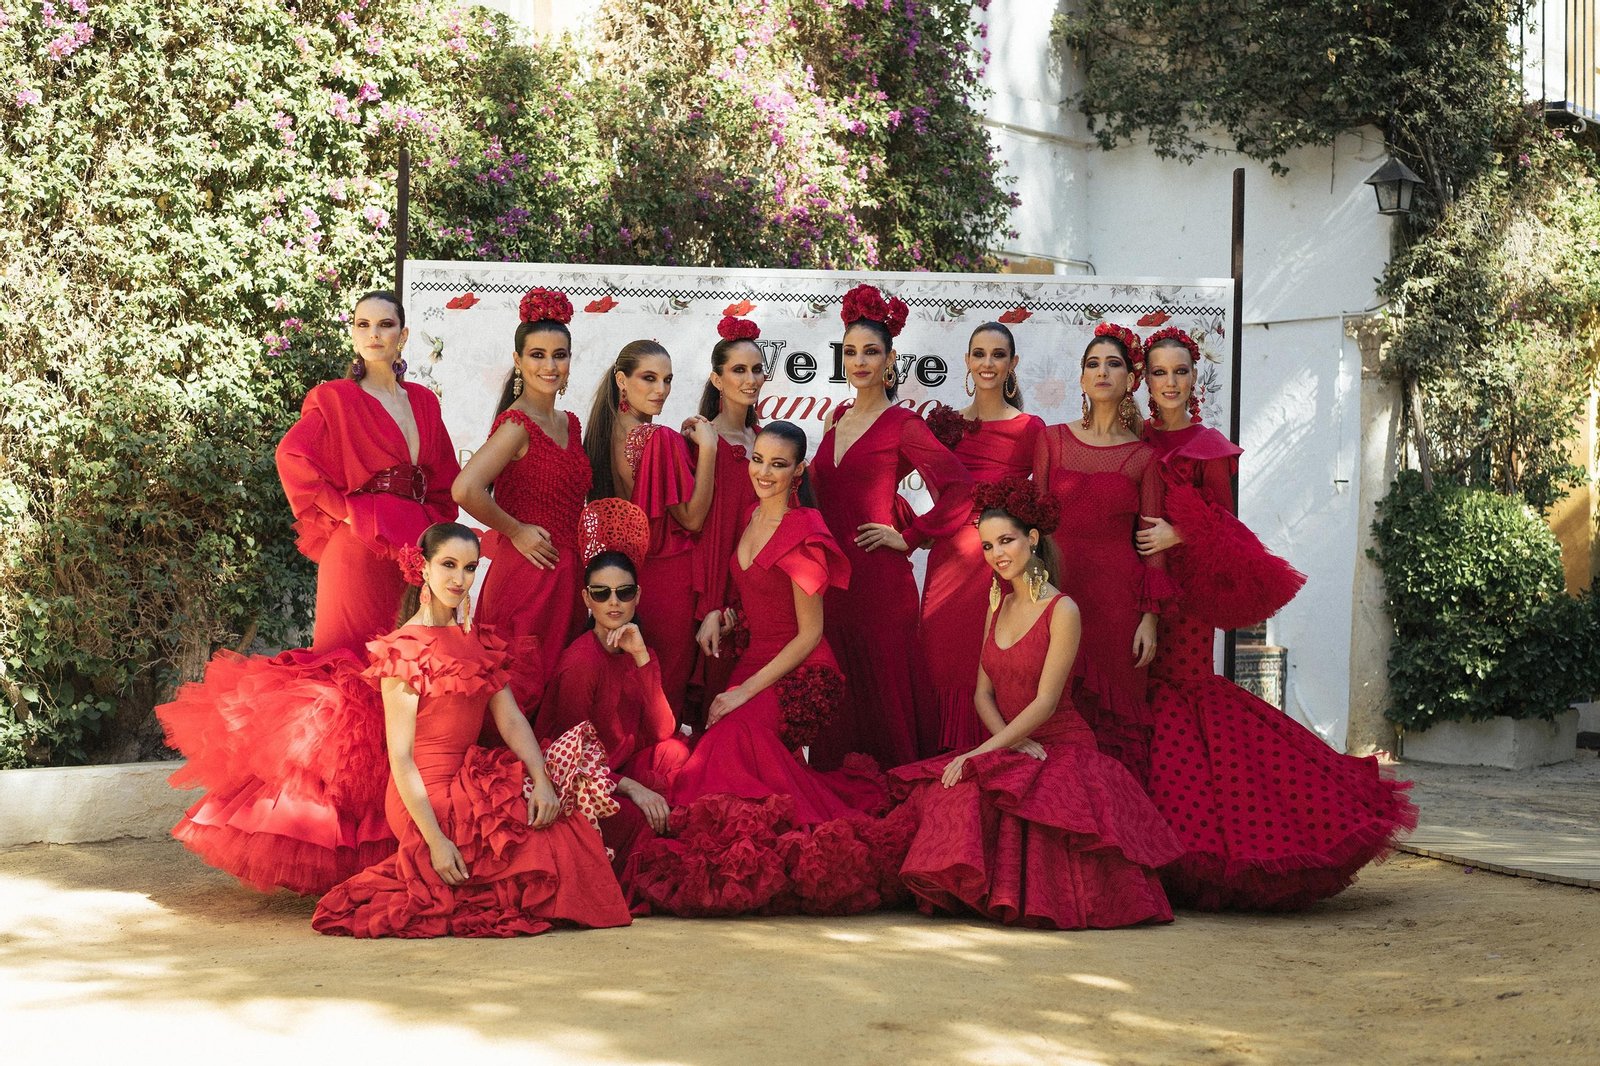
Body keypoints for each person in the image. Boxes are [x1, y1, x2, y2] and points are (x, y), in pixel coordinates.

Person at [157, 291, 460, 895]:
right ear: (353, 335)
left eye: (386, 325)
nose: (374, 334)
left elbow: (446, 475)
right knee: (346, 677)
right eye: (363, 325)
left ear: (404, 335)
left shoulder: (424, 401)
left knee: (397, 681)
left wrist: (430, 536)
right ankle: (330, 849)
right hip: (357, 551)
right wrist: (347, 512)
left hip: (410, 554)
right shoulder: (334, 397)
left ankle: (388, 843)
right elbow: (291, 456)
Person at [1138, 327, 1416, 909]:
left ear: (1195, 379)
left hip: (1186, 599)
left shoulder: (1209, 447)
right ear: (1145, 378)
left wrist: (1179, 530)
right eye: (1159, 372)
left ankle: (1200, 853)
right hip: (1128, 592)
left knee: (1183, 698)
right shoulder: (1132, 439)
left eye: (1180, 371)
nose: (1169, 382)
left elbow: (1230, 529)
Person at [624, 422, 912, 918]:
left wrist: (740, 693)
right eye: (759, 459)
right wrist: (725, 616)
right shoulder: (753, 515)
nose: (764, 472)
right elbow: (759, 597)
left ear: (799, 471)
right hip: (756, 660)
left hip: (801, 673)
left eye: (779, 465)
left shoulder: (805, 534)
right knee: (717, 747)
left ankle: (795, 845)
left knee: (732, 739)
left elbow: (809, 634)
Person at [312, 523, 633, 938]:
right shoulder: (404, 649)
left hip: (469, 780)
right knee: (525, 856)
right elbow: (401, 758)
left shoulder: (478, 642)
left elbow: (512, 719)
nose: (459, 579)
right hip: (422, 798)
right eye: (448, 565)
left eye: (469, 568)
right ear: (423, 568)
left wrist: (543, 781)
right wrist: (435, 841)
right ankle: (445, 856)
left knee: (561, 824)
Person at [891, 479, 1183, 929]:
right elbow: (981, 694)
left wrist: (982, 752)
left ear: (1032, 539)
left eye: (1005, 540)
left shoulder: (1063, 610)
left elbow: (1047, 701)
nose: (996, 554)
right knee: (954, 795)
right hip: (1014, 744)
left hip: (1061, 748)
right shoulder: (997, 604)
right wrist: (1004, 746)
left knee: (1030, 812)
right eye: (987, 545)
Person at [810, 284, 974, 769]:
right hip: (831, 585)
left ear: (890, 359)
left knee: (887, 699)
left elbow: (960, 487)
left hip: (880, 585)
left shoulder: (903, 423)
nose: (860, 361)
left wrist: (910, 536)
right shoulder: (834, 420)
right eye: (851, 352)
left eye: (872, 352)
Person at [1033, 322, 1176, 787]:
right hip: (1056, 595)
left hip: (1118, 609)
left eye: (1113, 363)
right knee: (1051, 713)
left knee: (1114, 726)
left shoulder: (1143, 458)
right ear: (1080, 378)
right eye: (1092, 363)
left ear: (1131, 380)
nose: (1102, 371)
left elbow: (1154, 546)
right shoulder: (1050, 440)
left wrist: (1149, 620)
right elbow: (1030, 529)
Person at [535, 499, 692, 873]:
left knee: (676, 755)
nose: (614, 603)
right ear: (587, 598)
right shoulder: (581, 662)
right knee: (642, 823)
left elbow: (663, 731)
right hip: (580, 783)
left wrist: (640, 658)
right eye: (601, 593)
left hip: (619, 766)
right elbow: (572, 762)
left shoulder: (640, 648)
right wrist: (634, 789)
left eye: (623, 592)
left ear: (637, 596)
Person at [454, 289, 590, 714]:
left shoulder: (570, 423)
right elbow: (465, 489)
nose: (550, 366)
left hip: (567, 576)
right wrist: (515, 530)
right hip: (527, 575)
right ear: (518, 361)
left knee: (556, 693)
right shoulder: (517, 425)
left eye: (559, 355)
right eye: (537, 355)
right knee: (520, 690)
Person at [920, 322, 1046, 750]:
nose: (987, 363)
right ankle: (942, 765)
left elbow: (1042, 510)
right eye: (979, 354)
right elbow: (936, 498)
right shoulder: (945, 424)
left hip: (1000, 564)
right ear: (967, 361)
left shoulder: (1031, 429)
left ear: (1013, 364)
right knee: (941, 666)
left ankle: (991, 758)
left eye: (997, 354)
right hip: (949, 559)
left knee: (992, 665)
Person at [582, 340, 716, 721]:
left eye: (668, 380)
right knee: (665, 687)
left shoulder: (604, 434)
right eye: (649, 378)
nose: (661, 390)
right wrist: (708, 449)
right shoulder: (656, 438)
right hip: (670, 577)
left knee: (636, 684)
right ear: (622, 381)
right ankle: (663, 767)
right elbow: (691, 519)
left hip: (630, 578)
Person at [680, 315, 766, 729]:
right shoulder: (700, 441)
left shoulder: (766, 442)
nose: (750, 379)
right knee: (714, 717)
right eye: (738, 370)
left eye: (756, 368)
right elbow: (700, 531)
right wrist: (714, 607)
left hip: (760, 595)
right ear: (716, 379)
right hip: (717, 595)